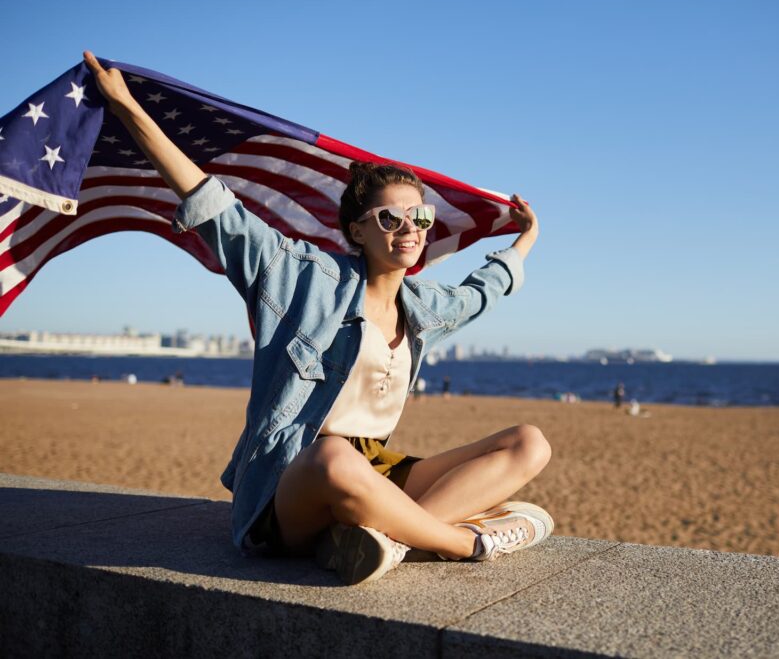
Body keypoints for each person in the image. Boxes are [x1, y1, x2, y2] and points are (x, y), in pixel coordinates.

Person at [84, 51, 553, 585]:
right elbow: (214, 207)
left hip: (378, 470)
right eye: (390, 217)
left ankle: (386, 539)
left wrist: (526, 239)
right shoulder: (301, 276)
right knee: (334, 458)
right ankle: (463, 541)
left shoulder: (422, 307)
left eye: (419, 216)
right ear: (357, 229)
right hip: (298, 479)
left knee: (528, 442)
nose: (410, 227)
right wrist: (126, 108)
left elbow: (481, 292)